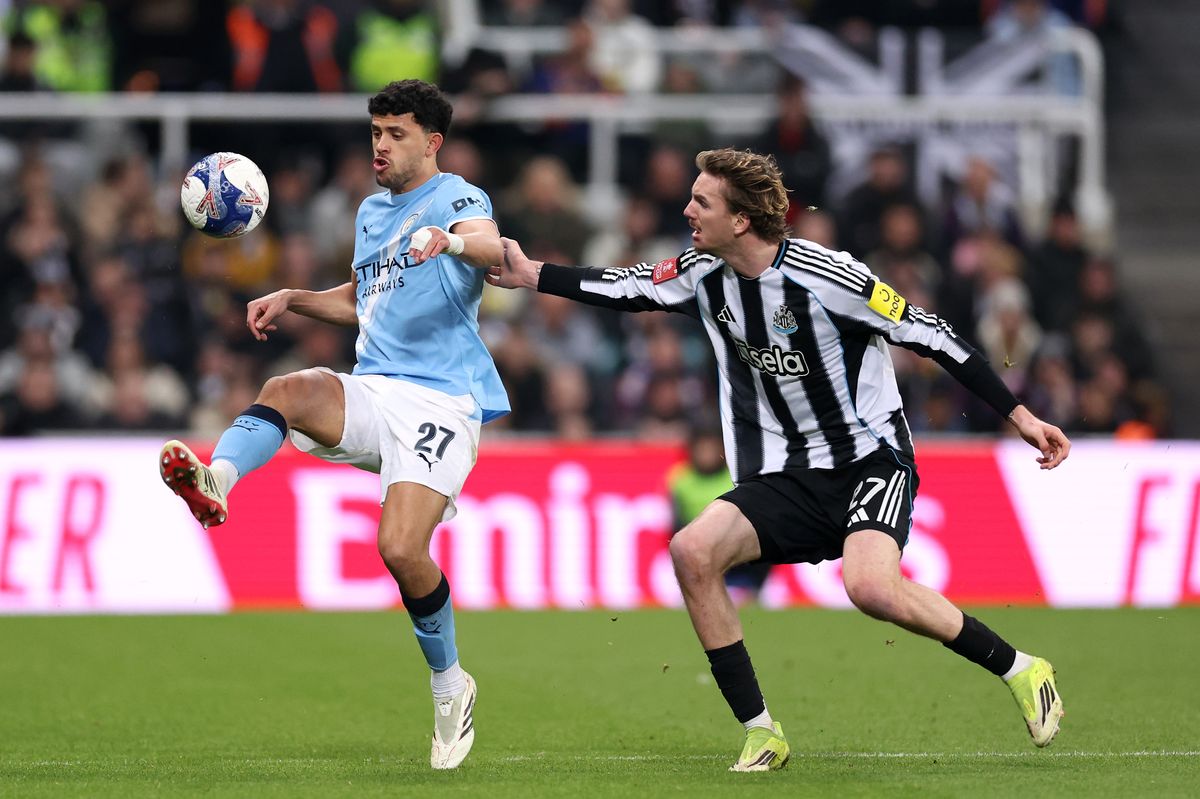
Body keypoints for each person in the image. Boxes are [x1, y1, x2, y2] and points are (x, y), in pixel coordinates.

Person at [490, 147, 1069, 772]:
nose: (687, 210)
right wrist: (533, 275)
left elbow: (932, 336)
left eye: (701, 202)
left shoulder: (830, 277)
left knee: (871, 587)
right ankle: (762, 732)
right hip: (785, 473)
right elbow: (628, 288)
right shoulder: (700, 271)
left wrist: (1021, 418)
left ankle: (1021, 669)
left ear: (740, 221)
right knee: (692, 551)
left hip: (868, 460)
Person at [158, 79, 508, 770]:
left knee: (401, 550)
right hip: (376, 388)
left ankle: (449, 683)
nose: (380, 144)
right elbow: (364, 300)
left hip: (442, 401)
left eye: (396, 133)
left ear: (431, 142)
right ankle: (216, 478)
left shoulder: (457, 195)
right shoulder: (373, 212)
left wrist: (452, 243)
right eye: (375, 131)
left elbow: (491, 248)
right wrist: (293, 297)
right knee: (288, 386)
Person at [669, 421, 771, 605]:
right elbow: (676, 525)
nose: (706, 453)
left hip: (737, 561)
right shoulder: (680, 479)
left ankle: (753, 589)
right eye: (702, 448)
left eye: (710, 447)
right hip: (698, 557)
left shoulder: (736, 478)